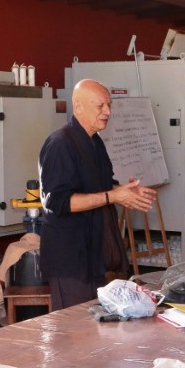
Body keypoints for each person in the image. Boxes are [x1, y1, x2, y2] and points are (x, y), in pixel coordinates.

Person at [39, 79, 156, 310]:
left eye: (109, 105)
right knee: (74, 330)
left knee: (94, 326)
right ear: (78, 107)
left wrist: (124, 192)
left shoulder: (95, 142)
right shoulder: (60, 144)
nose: (108, 112)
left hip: (95, 253)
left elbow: (101, 186)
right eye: (100, 106)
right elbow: (58, 202)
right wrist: (114, 196)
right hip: (71, 258)